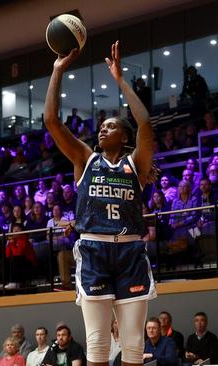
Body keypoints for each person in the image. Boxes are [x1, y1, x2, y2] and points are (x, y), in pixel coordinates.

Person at [44, 42, 156, 366]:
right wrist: (57, 70)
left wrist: (121, 81)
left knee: (133, 345)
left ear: (123, 137)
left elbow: (146, 124)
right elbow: (52, 120)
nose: (102, 128)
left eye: (111, 126)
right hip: (94, 250)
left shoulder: (137, 164)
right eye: (101, 126)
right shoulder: (85, 158)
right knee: (97, 344)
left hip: (131, 251)